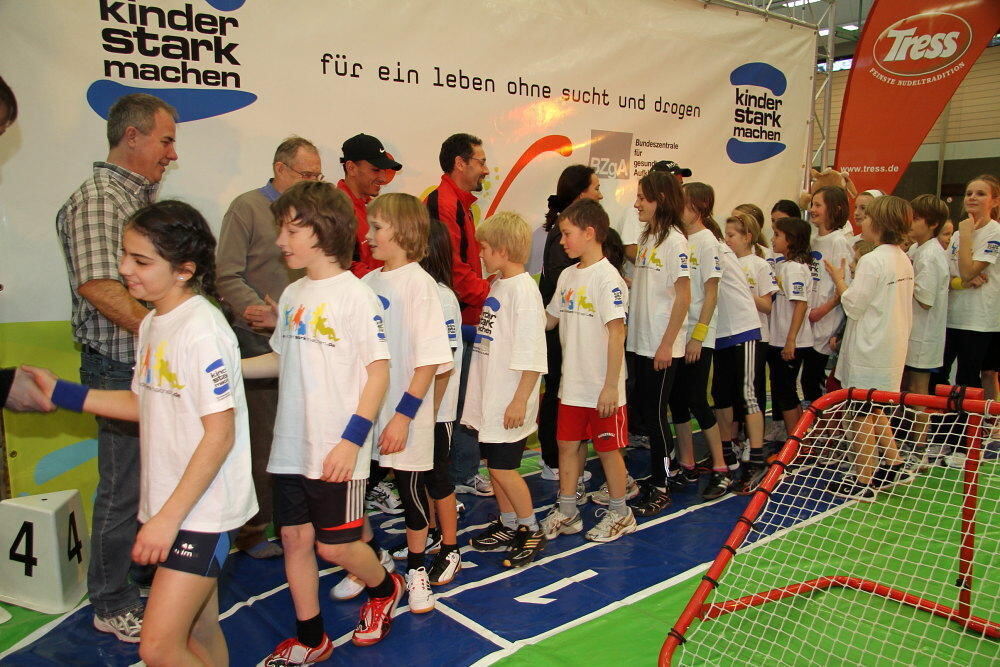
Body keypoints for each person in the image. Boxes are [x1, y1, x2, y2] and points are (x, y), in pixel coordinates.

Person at [31, 200, 256, 665]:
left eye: (140, 260)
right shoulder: (154, 321)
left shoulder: (202, 331)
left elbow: (220, 434)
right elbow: (143, 403)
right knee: (199, 626)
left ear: (183, 270)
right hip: (177, 504)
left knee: (157, 648)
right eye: (124, 255)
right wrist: (62, 394)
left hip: (203, 511)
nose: (122, 269)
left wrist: (166, 518)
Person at [246, 181, 400, 663]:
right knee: (293, 537)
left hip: (338, 449)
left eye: (293, 230)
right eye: (281, 230)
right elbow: (279, 360)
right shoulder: (292, 294)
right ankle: (312, 639)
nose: (280, 241)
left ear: (325, 230)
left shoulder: (356, 296)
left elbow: (379, 372)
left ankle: (384, 587)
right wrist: (226, 367)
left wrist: (352, 441)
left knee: (337, 549)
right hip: (292, 445)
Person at [55, 92, 178, 641]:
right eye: (165, 139)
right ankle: (109, 600)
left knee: (151, 482)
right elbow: (99, 285)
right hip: (117, 367)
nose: (171, 153)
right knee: (123, 487)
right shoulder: (102, 198)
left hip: (149, 368)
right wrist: (164, 330)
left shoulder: (138, 199)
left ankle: (134, 577)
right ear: (132, 137)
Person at [216, 136, 323, 559]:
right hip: (256, 337)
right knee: (264, 436)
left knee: (302, 432)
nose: (313, 181)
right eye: (306, 174)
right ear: (280, 168)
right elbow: (226, 274)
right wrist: (254, 312)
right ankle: (255, 528)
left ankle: (294, 520)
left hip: (305, 339)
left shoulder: (311, 212)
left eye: (317, 175)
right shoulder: (246, 208)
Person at [362, 192, 454, 614]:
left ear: (401, 230)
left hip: (406, 413)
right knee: (357, 490)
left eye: (376, 227)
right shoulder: (366, 283)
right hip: (369, 411)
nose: (367, 237)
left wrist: (402, 417)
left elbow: (431, 361)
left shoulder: (419, 286)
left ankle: (417, 570)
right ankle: (370, 563)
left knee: (411, 489)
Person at [541, 199, 636, 543]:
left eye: (567, 234)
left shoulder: (609, 278)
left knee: (609, 451)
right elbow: (549, 320)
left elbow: (616, 332)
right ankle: (567, 512)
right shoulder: (567, 275)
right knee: (567, 445)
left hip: (602, 387)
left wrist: (611, 386)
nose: (562, 241)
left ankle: (621, 512)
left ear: (590, 233)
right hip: (573, 385)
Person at [464, 212, 549, 565]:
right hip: (492, 394)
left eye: (484, 247)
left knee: (503, 469)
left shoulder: (524, 293)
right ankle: (509, 521)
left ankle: (531, 528)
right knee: (492, 465)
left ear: (500, 250)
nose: (480, 254)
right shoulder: (499, 284)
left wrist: (519, 400)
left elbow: (532, 355)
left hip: (510, 399)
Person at [826, 196, 915, 500]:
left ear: (878, 223)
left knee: (861, 409)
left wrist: (839, 280)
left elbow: (853, 304)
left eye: (866, 216)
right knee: (876, 407)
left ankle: (864, 479)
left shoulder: (873, 260)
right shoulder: (901, 257)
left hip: (871, 345)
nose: (861, 220)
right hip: (891, 343)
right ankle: (893, 463)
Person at [426, 133, 493, 497]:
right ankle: (450, 477)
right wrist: (488, 293)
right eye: (480, 161)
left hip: (465, 313)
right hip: (451, 318)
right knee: (454, 398)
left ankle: (460, 471)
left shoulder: (461, 203)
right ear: (460, 163)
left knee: (465, 395)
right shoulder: (443, 204)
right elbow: (450, 268)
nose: (485, 169)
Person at [624, 171, 690, 516]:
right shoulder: (649, 237)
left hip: (660, 346)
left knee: (655, 416)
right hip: (641, 341)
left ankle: (664, 483)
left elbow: (683, 297)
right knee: (646, 414)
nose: (636, 204)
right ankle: (657, 474)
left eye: (642, 198)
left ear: (660, 200)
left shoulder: (676, 241)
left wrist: (667, 345)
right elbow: (651, 288)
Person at [538, 164, 603, 488]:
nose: (600, 194)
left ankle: (566, 465)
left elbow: (615, 332)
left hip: (577, 344)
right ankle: (553, 461)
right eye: (595, 187)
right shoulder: (565, 260)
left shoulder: (601, 274)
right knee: (557, 397)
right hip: (562, 337)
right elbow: (554, 306)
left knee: (603, 442)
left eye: (568, 235)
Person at [668, 183, 731, 500]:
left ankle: (721, 467)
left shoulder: (708, 242)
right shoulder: (681, 239)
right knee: (677, 399)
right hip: (679, 333)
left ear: (700, 206)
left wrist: (699, 335)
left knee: (696, 398)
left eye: (683, 202)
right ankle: (687, 462)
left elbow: (711, 292)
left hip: (697, 334)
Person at [418, 219, 463, 584]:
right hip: (414, 407)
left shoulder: (442, 296)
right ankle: (432, 534)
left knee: (439, 477)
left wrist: (430, 410)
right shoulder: (415, 289)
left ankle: (451, 547)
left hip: (437, 409)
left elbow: (444, 359)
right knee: (420, 479)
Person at [725, 211, 777, 494]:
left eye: (732, 235)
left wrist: (743, 290)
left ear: (747, 237)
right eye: (726, 235)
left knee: (749, 394)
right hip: (727, 335)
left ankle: (756, 456)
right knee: (729, 395)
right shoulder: (725, 261)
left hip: (754, 335)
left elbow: (768, 305)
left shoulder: (758, 264)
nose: (727, 240)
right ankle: (731, 448)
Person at [936, 176, 1000, 394]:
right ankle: (943, 426)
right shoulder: (955, 234)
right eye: (969, 193)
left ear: (995, 201)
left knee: (967, 380)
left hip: (978, 321)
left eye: (980, 194)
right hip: (951, 317)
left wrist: (965, 235)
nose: (972, 197)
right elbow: (947, 278)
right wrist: (962, 282)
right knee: (940, 375)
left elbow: (967, 270)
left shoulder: (994, 233)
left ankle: (973, 427)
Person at [803, 186, 853, 404]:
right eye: (812, 204)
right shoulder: (813, 238)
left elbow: (844, 287)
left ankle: (824, 429)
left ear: (834, 209)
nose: (812, 209)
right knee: (805, 380)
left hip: (825, 320)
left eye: (818, 205)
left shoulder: (838, 241)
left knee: (812, 379)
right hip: (809, 318)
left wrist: (822, 311)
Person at [767, 218, 814, 438]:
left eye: (777, 235)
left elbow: (801, 304)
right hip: (782, 338)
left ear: (791, 240)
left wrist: (791, 340)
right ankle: (797, 438)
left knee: (785, 393)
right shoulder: (785, 265)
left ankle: (793, 442)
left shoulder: (794, 268)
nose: (773, 239)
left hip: (790, 341)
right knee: (785, 391)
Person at [336, 133, 403, 277]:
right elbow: (342, 267)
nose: (383, 178)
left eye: (384, 170)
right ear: (351, 168)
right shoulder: (334, 210)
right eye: (376, 170)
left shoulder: (375, 207)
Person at [904, 195, 950, 396]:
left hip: (924, 334)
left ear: (933, 224)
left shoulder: (931, 255)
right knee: (906, 388)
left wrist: (903, 279)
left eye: (916, 218)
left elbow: (925, 300)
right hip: (911, 330)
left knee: (918, 389)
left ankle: (921, 429)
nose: (910, 223)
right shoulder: (916, 248)